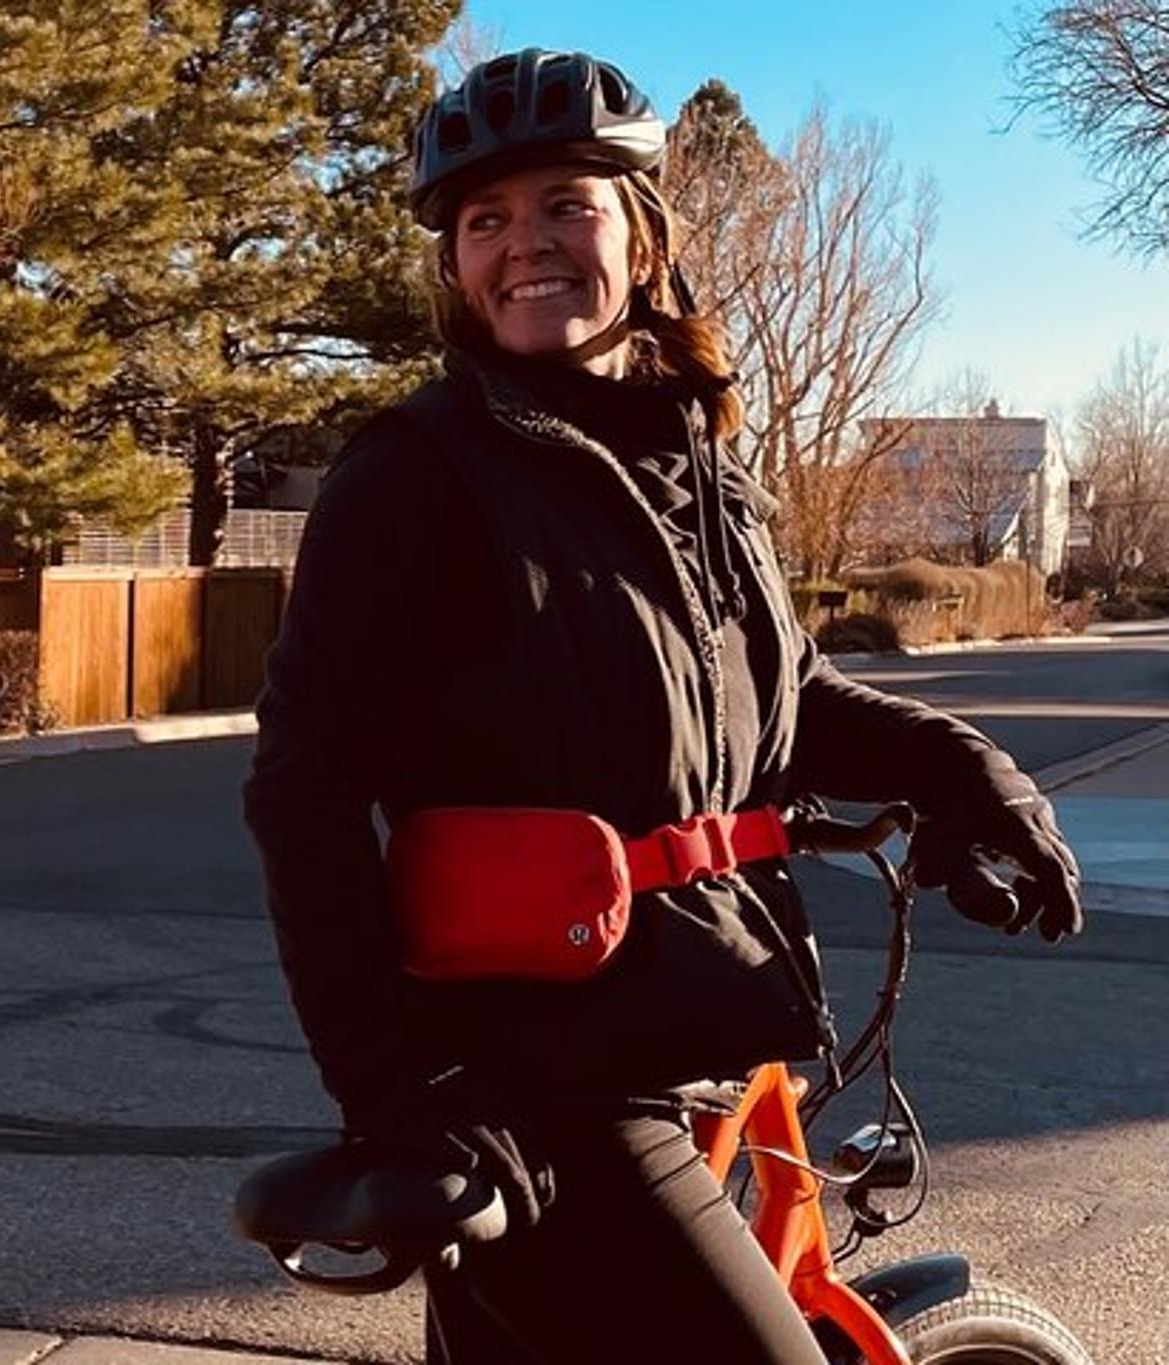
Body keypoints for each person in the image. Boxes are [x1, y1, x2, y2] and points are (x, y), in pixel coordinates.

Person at [241, 47, 1082, 1364]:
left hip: (703, 1020)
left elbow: (787, 700)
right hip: (540, 1091)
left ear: (640, 234)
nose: (528, 244)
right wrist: (406, 1094)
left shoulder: (703, 471)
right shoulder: (416, 479)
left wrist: (972, 772)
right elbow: (301, 786)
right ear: (453, 264)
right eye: (486, 220)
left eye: (566, 204)